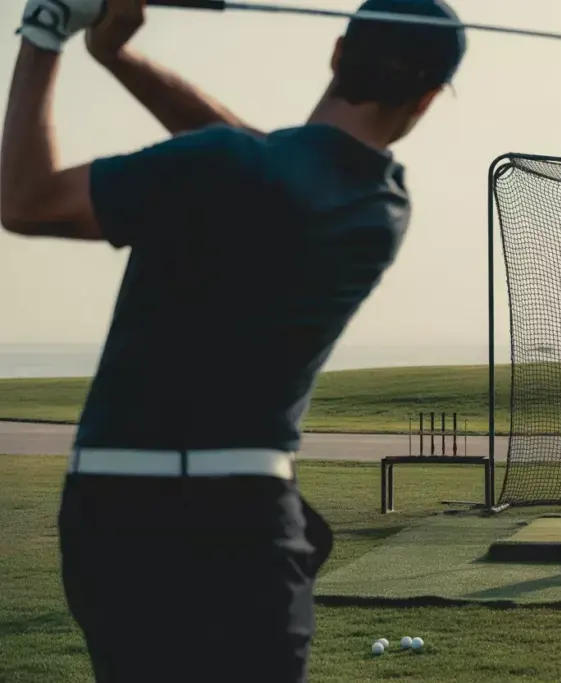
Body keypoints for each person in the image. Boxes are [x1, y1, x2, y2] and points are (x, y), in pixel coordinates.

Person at [1, 0, 466, 680]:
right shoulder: (379, 205)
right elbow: (264, 159)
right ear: (426, 96)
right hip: (242, 523)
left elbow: (25, 198)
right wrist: (118, 58)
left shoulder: (220, 164)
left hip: (114, 510)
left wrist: (48, 28)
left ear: (338, 54)